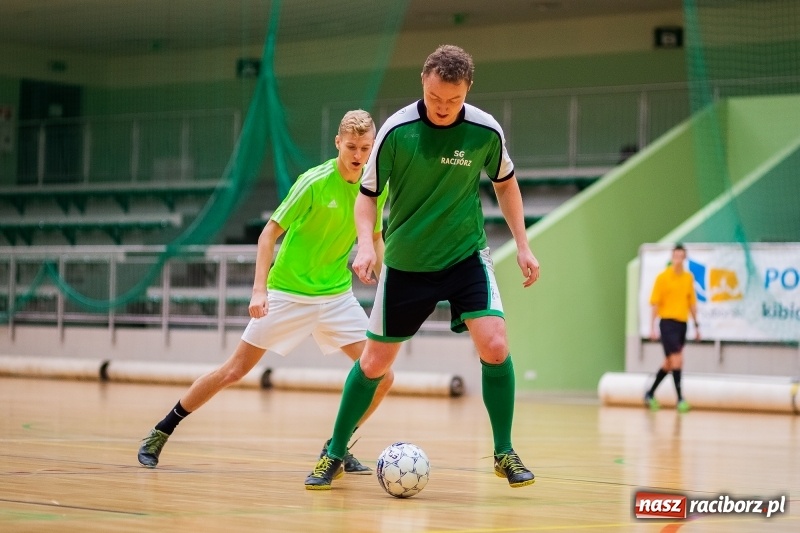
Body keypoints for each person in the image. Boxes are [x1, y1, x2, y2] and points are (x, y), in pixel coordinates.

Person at [304, 45, 540, 491]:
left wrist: (523, 245)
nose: (443, 107)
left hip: (465, 254)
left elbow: (506, 186)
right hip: (408, 262)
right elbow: (367, 196)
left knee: (494, 345)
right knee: (374, 364)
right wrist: (366, 247)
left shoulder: (485, 130)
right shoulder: (397, 131)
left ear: (467, 89)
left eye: (452, 100)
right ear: (423, 83)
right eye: (435, 98)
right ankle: (334, 451)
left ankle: (504, 452)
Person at [137, 110, 392, 473]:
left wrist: (388, 284)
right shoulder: (313, 182)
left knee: (382, 375)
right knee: (234, 370)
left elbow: (377, 239)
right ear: (338, 143)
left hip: (336, 296)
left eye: (365, 147)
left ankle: (336, 447)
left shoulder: (374, 188)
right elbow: (268, 234)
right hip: (288, 291)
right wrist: (259, 291)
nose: (358, 154)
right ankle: (162, 430)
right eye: (351, 146)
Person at [645, 244, 700, 413]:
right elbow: (655, 303)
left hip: (681, 324)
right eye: (675, 255)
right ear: (671, 257)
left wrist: (697, 325)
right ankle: (680, 399)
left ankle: (650, 393)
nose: (678, 259)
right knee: (678, 359)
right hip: (667, 323)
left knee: (669, 363)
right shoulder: (662, 278)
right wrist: (652, 327)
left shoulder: (688, 278)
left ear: (684, 258)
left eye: (681, 256)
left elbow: (691, 303)